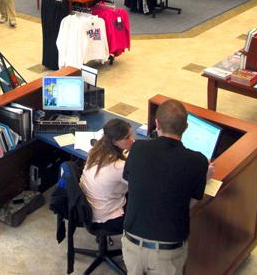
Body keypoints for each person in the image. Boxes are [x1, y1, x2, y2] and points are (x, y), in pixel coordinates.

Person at [122, 100, 213, 275]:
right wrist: (204, 177)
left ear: (157, 124)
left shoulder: (138, 148)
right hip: (167, 252)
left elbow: (130, 182)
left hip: (132, 243)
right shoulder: (198, 161)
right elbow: (189, 204)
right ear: (186, 127)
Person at [80, 119, 134, 231]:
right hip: (105, 218)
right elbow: (139, 184)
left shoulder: (95, 151)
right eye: (127, 138)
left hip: (87, 207)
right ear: (115, 142)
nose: (132, 140)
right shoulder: (119, 167)